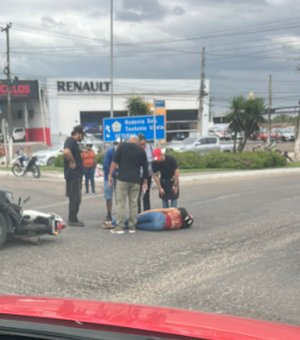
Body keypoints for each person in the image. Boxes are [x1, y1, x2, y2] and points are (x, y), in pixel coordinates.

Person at [108, 135, 148, 234]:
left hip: (123, 179)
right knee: (133, 204)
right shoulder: (141, 151)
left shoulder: (122, 146)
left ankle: (120, 226)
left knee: (121, 203)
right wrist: (145, 182)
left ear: (130, 140)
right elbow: (146, 169)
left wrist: (110, 175)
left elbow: (114, 162)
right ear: (137, 142)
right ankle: (132, 227)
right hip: (136, 181)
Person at [102, 207, 193, 231]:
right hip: (158, 226)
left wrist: (146, 212)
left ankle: (111, 222)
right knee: (135, 226)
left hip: (158, 216)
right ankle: (114, 226)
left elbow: (161, 210)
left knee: (133, 219)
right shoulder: (179, 226)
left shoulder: (175, 211)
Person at [64, 125, 85, 227]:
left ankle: (74, 218)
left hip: (76, 175)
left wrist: (80, 151)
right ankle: (72, 219)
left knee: (77, 197)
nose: (83, 137)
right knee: (74, 197)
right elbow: (67, 152)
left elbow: (71, 151)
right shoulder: (70, 141)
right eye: (83, 135)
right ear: (78, 134)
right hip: (73, 175)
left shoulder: (74, 143)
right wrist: (73, 161)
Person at [103, 141, 119, 221]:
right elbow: (105, 165)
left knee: (119, 195)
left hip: (119, 177)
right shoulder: (110, 152)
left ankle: (120, 214)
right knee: (108, 195)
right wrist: (114, 174)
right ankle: (109, 214)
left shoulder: (123, 152)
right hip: (108, 176)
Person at [138, 134, 153, 213]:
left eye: (144, 144)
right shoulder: (136, 150)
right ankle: (138, 214)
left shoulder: (150, 148)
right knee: (138, 196)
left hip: (148, 176)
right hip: (138, 175)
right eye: (140, 145)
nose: (143, 146)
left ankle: (147, 212)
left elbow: (154, 161)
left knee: (146, 195)